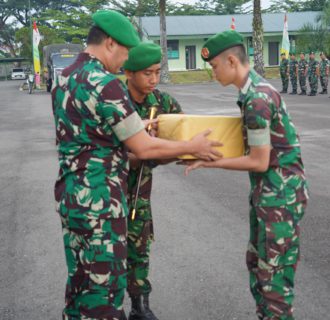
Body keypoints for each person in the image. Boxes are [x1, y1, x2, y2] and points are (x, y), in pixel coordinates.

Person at [51, 10, 221, 320]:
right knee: (104, 295)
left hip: (72, 198)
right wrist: (190, 146)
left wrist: (135, 124)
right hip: (101, 205)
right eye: (126, 52)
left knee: (79, 284)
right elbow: (143, 146)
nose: (125, 61)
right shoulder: (106, 83)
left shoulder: (65, 77)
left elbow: (89, 134)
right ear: (111, 43)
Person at [187, 30, 309, 319]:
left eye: (214, 67)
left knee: (273, 285)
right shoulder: (255, 91)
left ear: (231, 61)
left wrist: (209, 162)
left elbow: (258, 161)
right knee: (258, 268)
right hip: (270, 197)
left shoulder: (257, 99)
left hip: (278, 201)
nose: (212, 73)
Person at [122, 42, 183, 320]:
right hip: (107, 189)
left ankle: (139, 306)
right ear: (129, 72)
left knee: (139, 247)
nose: (153, 80)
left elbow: (183, 134)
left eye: (157, 72)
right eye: (147, 73)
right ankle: (107, 306)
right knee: (106, 252)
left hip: (139, 192)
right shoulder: (115, 102)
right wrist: (146, 150)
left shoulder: (163, 103)